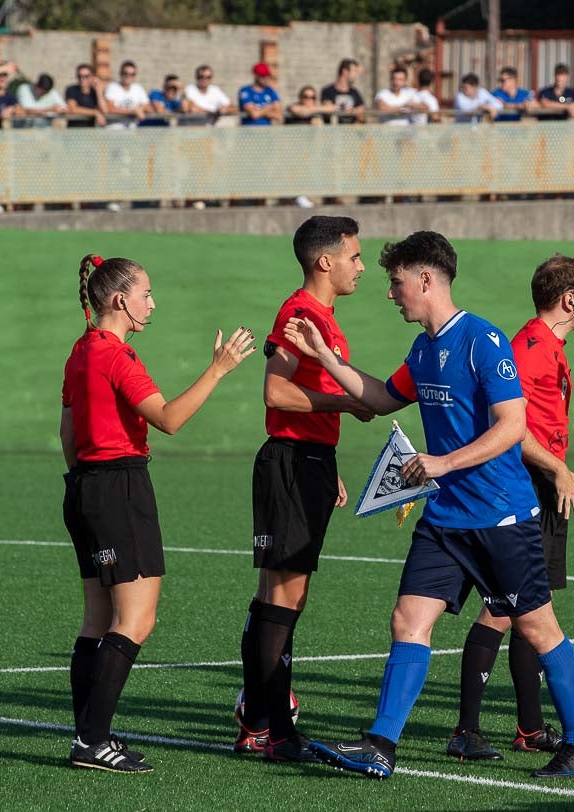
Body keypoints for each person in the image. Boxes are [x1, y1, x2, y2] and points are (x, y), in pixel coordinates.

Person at [292, 231, 574, 780]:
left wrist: (443, 463)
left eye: (397, 281)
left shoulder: (484, 340)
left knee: (538, 629)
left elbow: (513, 426)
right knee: (408, 619)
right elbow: (384, 397)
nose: (391, 293)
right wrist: (324, 357)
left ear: (425, 280)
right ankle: (381, 743)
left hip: (501, 516)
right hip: (445, 520)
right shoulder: (423, 348)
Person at [63, 254, 255, 772]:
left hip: (83, 487)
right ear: (120, 301)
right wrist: (218, 369)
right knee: (135, 619)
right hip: (119, 488)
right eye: (146, 293)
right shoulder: (115, 357)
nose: (152, 302)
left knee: (97, 618)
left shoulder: (80, 352)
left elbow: (67, 435)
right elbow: (168, 419)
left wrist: (87, 484)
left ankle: (89, 734)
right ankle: (93, 741)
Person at [447, 255, 574, 761]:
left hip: (542, 481)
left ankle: (530, 728)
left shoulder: (548, 345)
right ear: (569, 300)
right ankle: (468, 728)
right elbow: (509, 424)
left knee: (530, 609)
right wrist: (556, 468)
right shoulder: (529, 348)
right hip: (525, 483)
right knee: (503, 609)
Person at [233, 216, 371, 762]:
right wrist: (345, 403)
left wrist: (327, 458)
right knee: (283, 598)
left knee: (281, 596)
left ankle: (257, 720)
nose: (360, 266)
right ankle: (273, 730)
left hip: (308, 461)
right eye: (355, 257)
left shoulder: (324, 319)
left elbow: (302, 401)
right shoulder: (300, 313)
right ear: (325, 261)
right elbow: (276, 393)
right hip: (290, 464)